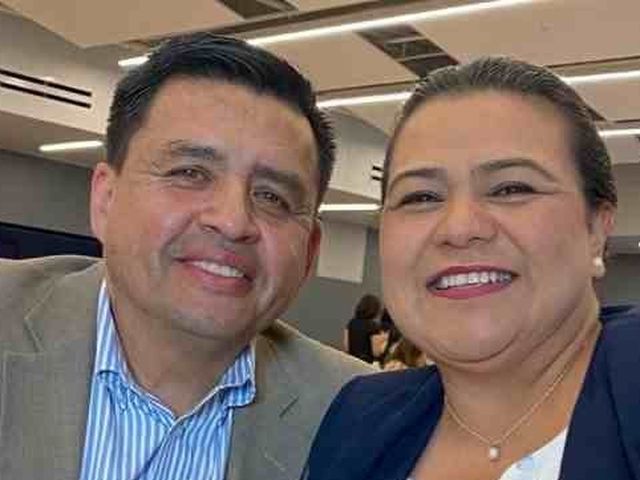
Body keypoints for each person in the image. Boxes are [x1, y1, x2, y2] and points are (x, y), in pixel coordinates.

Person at [0, 33, 373, 479]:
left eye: (272, 197)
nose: (233, 221)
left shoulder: (359, 418)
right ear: (106, 201)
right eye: (190, 173)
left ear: (310, 252)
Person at [305, 56, 640, 480]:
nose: (460, 228)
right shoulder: (357, 419)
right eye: (421, 197)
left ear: (596, 229)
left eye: (511, 188)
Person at [344, 294, 383, 363]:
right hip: (366, 363)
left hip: (352, 361)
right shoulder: (373, 326)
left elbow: (346, 347)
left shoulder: (351, 323)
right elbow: (376, 352)